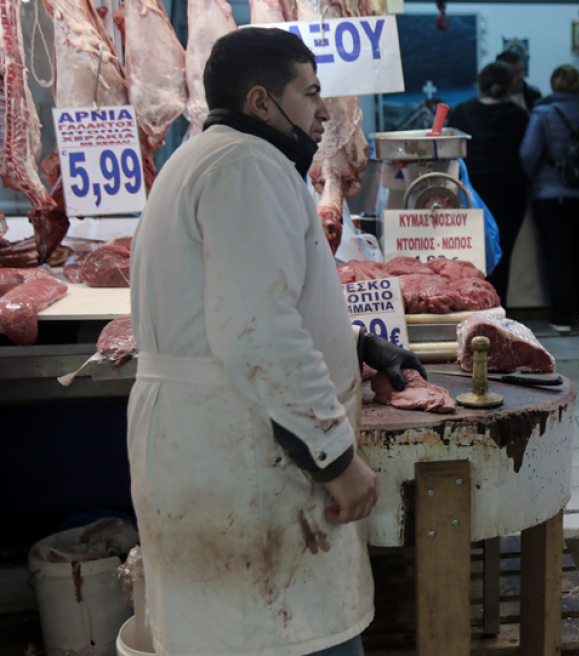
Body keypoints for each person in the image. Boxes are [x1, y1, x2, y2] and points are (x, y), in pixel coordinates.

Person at [127, 28, 427, 656]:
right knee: (285, 638)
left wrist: (358, 346)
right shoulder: (246, 165)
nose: (323, 111)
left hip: (215, 446)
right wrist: (339, 463)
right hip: (245, 459)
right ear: (261, 101)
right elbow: (256, 333)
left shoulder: (208, 158)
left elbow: (236, 306)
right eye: (310, 93)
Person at [519, 64, 579, 332]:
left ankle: (562, 317)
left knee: (558, 255)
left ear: (554, 85)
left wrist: (539, 175)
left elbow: (527, 155)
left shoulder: (542, 114)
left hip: (550, 196)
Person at [449, 63, 531, 306]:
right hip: (511, 195)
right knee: (502, 256)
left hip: (471, 194)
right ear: (509, 86)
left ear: (480, 83)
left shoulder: (462, 112)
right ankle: (497, 308)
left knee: (470, 256)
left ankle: (473, 309)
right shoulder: (519, 116)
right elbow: (529, 155)